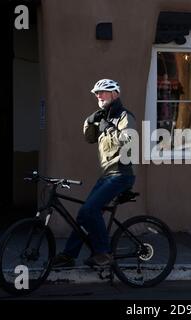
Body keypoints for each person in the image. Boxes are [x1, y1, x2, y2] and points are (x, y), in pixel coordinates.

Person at [51, 79, 136, 268]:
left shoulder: (124, 116)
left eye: (103, 92)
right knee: (83, 214)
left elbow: (130, 141)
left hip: (121, 174)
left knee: (91, 210)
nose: (98, 95)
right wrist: (90, 121)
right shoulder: (103, 116)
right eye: (96, 93)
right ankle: (68, 255)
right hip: (108, 175)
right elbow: (89, 138)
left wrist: (110, 130)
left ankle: (103, 253)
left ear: (115, 94)